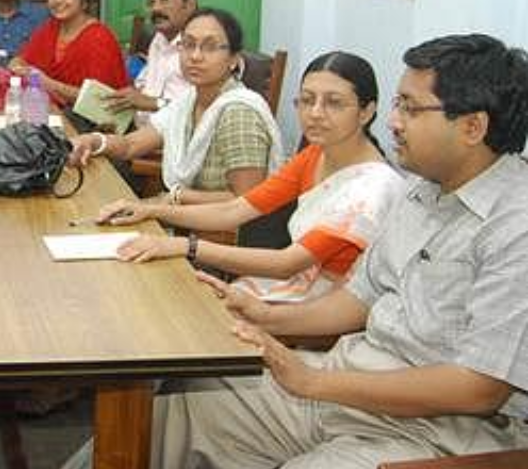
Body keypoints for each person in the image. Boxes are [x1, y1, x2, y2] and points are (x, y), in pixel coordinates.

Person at [63, 33, 528, 468]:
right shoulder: (423, 190)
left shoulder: (515, 227)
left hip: (435, 433)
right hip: (345, 384)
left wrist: (313, 381)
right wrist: (265, 317)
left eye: (410, 108)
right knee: (182, 398)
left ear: (472, 126)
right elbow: (356, 301)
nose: (394, 121)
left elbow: (478, 389)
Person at [96, 51, 404, 302]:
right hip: (283, 289)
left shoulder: (371, 189)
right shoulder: (317, 154)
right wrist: (151, 209)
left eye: (333, 103)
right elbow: (235, 210)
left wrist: (184, 247)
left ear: (366, 112)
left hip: (316, 309)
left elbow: (287, 264)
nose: (316, 113)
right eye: (307, 100)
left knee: (169, 306)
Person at [70, 8, 283, 204]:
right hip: (184, 218)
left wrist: (170, 200)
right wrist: (94, 141)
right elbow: (130, 145)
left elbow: (246, 201)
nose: (195, 56)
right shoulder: (188, 101)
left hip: (221, 238)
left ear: (234, 59)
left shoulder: (239, 113)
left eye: (209, 47)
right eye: (188, 44)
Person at [10, 0, 128, 105]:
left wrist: (48, 83)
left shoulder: (99, 38)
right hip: (52, 112)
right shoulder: (51, 29)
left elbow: (101, 100)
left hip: (93, 122)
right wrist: (17, 67)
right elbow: (22, 60)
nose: (58, 0)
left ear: (84, 0)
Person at [105, 0, 198, 120]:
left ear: (189, 5)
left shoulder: (199, 48)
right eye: (151, 1)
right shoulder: (158, 39)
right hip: (140, 130)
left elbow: (202, 109)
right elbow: (144, 87)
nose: (156, 8)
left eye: (165, 0)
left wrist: (152, 103)